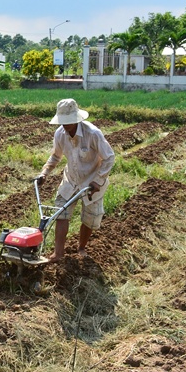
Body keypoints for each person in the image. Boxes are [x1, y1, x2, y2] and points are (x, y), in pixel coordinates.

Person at [35, 98, 115, 262]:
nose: (66, 125)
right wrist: (44, 173)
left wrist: (98, 180)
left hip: (92, 183)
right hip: (70, 180)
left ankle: (81, 248)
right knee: (61, 213)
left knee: (90, 219)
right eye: (63, 122)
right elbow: (55, 156)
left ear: (77, 118)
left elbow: (109, 158)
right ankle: (58, 254)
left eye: (69, 121)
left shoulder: (93, 134)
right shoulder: (60, 134)